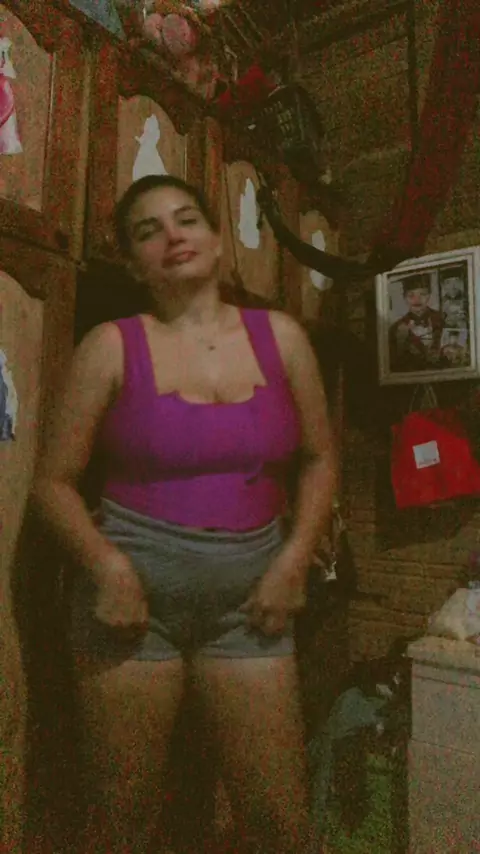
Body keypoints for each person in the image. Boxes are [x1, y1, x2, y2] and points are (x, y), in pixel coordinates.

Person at [31, 174, 335, 854]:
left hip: (251, 606)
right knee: (122, 824)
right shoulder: (110, 345)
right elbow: (51, 484)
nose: (172, 236)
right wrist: (106, 566)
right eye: (149, 231)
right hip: (133, 606)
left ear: (219, 242)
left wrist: (295, 559)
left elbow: (320, 459)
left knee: (280, 825)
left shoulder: (283, 338)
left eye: (187, 219)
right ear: (135, 265)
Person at [388, 273, 443, 372]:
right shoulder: (396, 328)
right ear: (404, 298)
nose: (417, 300)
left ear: (429, 296)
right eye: (411, 295)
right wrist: (401, 342)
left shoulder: (442, 319)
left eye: (422, 294)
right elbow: (392, 365)